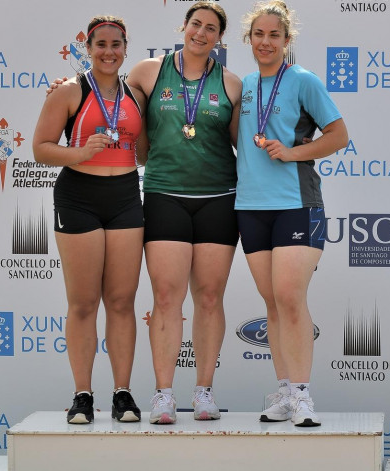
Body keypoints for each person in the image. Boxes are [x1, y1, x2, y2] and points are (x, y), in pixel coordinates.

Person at [126, 2, 243, 424]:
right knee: (165, 298)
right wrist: (65, 86)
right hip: (164, 194)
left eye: (211, 29)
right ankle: (163, 394)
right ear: (184, 26)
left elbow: (241, 145)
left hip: (217, 198)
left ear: (220, 38)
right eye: (196, 24)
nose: (201, 33)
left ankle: (204, 391)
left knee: (210, 297)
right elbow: (108, 99)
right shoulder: (148, 71)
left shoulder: (231, 84)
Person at [236, 1, 349, 427]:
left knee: (289, 296)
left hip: (297, 203)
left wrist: (295, 152)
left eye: (274, 36)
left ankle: (303, 395)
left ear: (287, 41)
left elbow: (339, 135)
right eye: (259, 35)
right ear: (249, 40)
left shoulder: (303, 80)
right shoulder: (243, 84)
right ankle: (284, 390)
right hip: (250, 205)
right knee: (271, 303)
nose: (266, 42)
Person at [31, 15, 148, 424]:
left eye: (117, 44)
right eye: (101, 44)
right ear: (88, 48)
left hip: (125, 199)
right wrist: (80, 152)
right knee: (83, 303)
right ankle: (82, 394)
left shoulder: (136, 94)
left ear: (126, 48)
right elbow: (40, 149)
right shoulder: (68, 91)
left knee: (121, 302)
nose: (109, 51)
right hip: (79, 196)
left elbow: (146, 152)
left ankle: (122, 393)